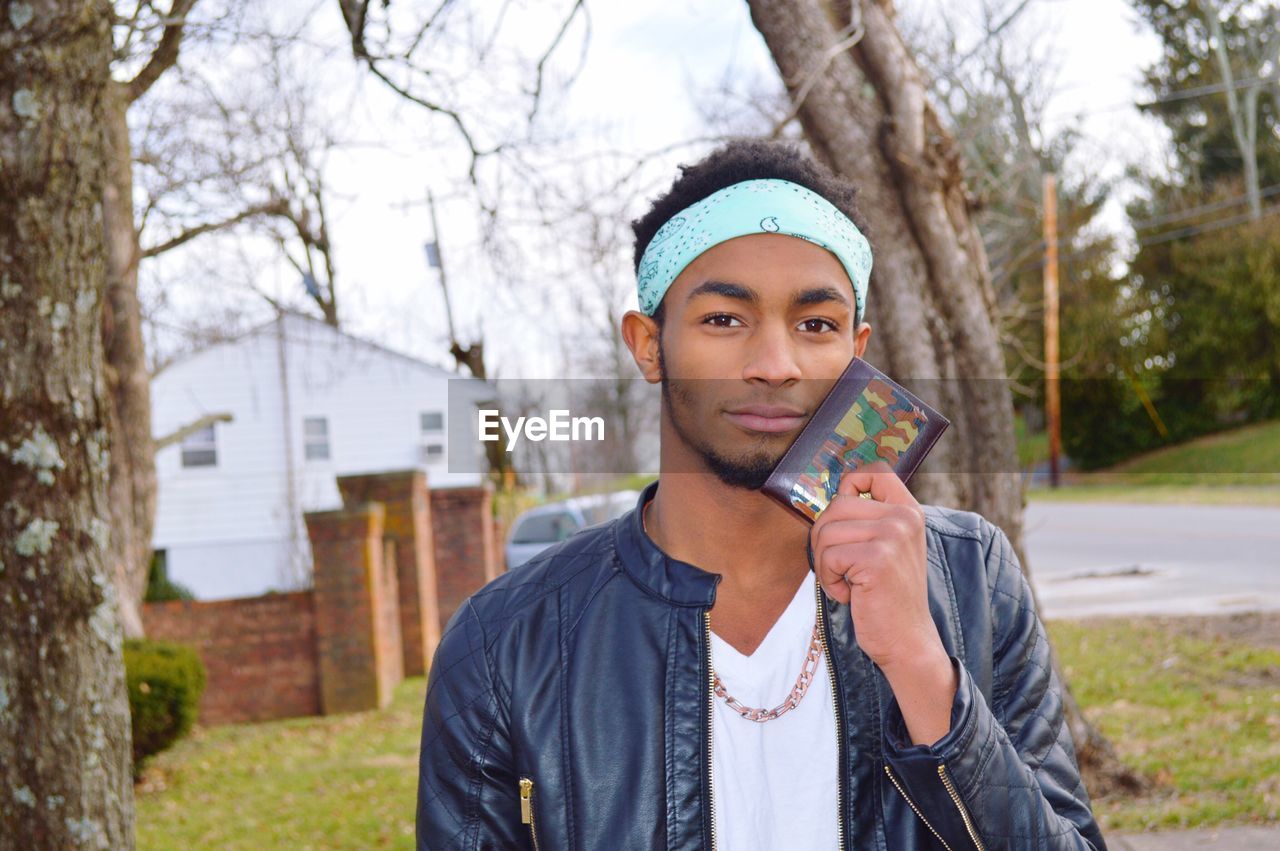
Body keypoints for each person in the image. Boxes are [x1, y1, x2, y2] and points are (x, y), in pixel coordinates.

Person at [416, 139, 1108, 850]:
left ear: (855, 349)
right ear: (649, 344)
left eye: (816, 325)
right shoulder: (505, 645)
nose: (776, 364)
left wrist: (921, 665)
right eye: (724, 318)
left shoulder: (970, 579)